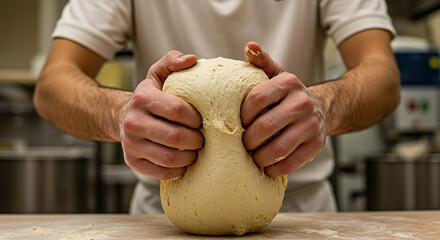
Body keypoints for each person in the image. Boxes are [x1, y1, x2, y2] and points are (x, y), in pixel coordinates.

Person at [34, 0, 400, 214]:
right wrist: (117, 113)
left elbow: (382, 75)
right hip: (166, 216)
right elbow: (54, 82)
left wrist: (323, 105)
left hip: (299, 214)